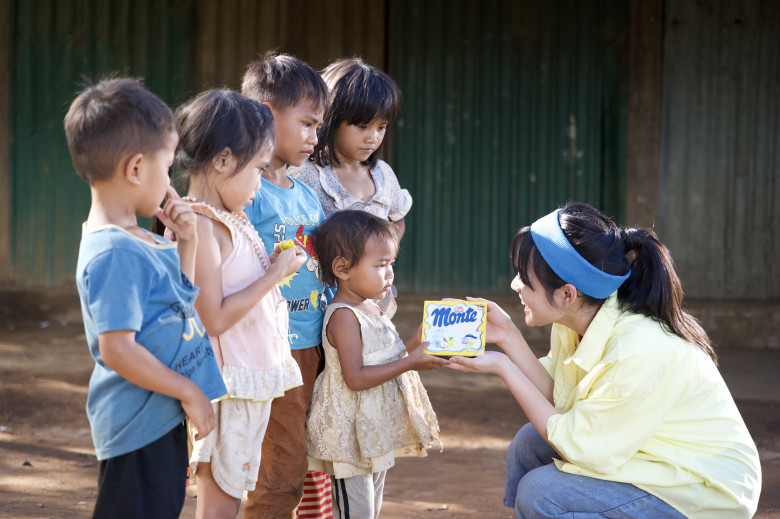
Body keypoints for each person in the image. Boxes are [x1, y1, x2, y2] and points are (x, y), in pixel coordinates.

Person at [447, 202, 762, 518]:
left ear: (567, 295)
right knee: (529, 444)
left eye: (525, 279)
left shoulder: (637, 349)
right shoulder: (579, 319)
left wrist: (503, 367)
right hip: (652, 458)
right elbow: (560, 397)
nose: (515, 285)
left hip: (704, 490)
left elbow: (584, 447)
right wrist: (508, 337)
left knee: (540, 494)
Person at [65, 77, 227, 519]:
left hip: (157, 417)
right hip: (137, 426)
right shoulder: (114, 251)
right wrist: (188, 391)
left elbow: (179, 306)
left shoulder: (134, 238)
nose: (171, 179)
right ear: (136, 169)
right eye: (168, 164)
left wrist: (187, 243)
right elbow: (118, 349)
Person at [175, 89, 307, 519]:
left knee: (232, 496)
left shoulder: (228, 218)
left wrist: (268, 268)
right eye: (257, 169)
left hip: (246, 380)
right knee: (221, 502)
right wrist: (274, 276)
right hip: (226, 387)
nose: (259, 183)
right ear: (224, 160)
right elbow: (212, 317)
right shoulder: (199, 227)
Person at [239, 52, 333, 519]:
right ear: (266, 115)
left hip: (315, 347)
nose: (316, 138)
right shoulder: (247, 193)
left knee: (305, 463)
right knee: (280, 472)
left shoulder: (306, 195)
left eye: (319, 126)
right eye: (308, 124)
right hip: (272, 352)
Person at [308, 209, 447, 519]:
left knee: (369, 510)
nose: (389, 274)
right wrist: (411, 362)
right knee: (356, 513)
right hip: (350, 437)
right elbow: (355, 377)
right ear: (342, 269)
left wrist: (417, 339)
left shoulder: (371, 306)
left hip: (372, 430)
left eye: (391, 264)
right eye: (380, 265)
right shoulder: (344, 315)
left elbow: (387, 354)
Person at [290, 57, 411, 317]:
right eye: (362, 126)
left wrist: (381, 253)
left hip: (375, 301)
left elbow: (398, 218)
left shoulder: (383, 175)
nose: (373, 137)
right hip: (324, 301)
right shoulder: (307, 174)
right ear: (332, 119)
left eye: (381, 127)